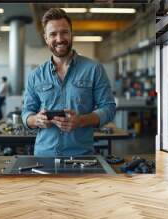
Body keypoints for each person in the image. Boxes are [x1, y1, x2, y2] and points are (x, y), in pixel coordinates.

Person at [22, 8, 116, 156]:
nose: (59, 39)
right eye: (53, 34)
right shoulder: (35, 75)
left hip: (81, 157)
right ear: (46, 38)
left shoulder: (94, 69)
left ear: (72, 34)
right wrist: (35, 120)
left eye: (64, 32)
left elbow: (109, 108)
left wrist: (81, 121)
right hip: (44, 156)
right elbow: (26, 112)